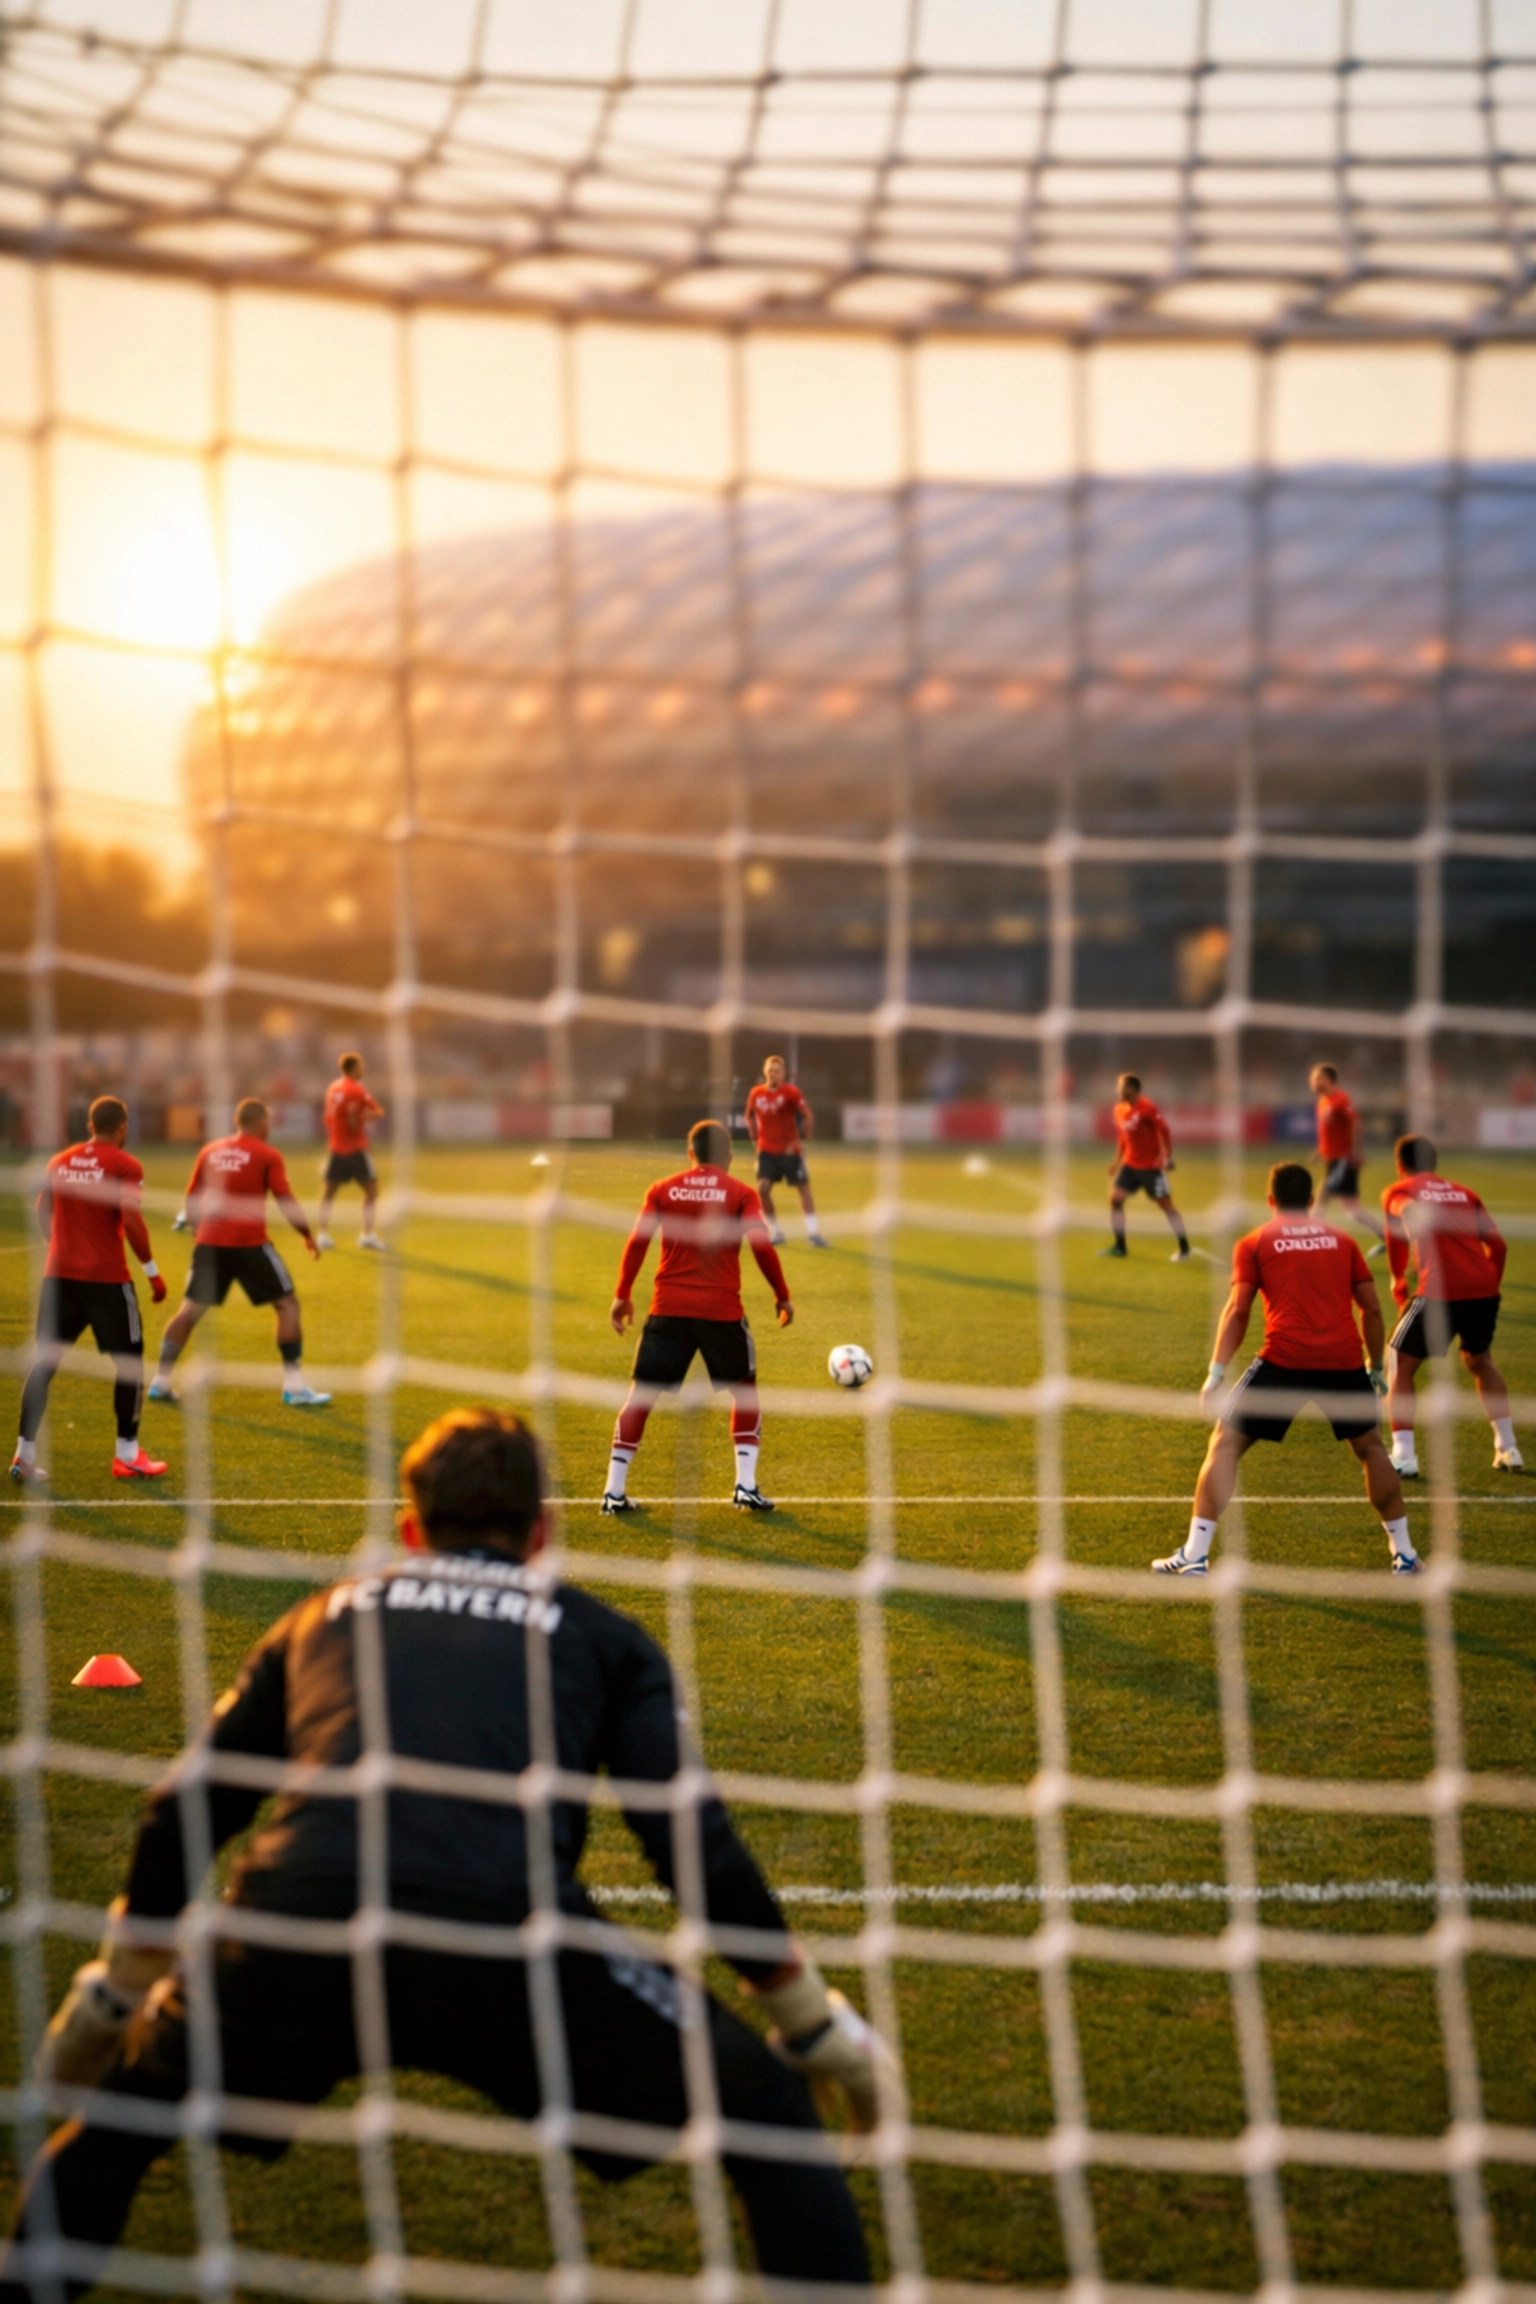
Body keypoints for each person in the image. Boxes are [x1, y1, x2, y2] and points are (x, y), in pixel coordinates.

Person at [0, 1407, 878, 2301]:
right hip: (511, 1941)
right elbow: (693, 1843)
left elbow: (184, 1806)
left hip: (300, 1929)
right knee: (770, 2114)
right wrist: (803, 2014)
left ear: (410, 1531)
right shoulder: (601, 1635)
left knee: (112, 2130)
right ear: (543, 1531)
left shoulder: (322, 1616)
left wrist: (118, 1991)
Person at [1154, 1160, 1416, 1577]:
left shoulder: (1256, 1242)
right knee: (1370, 1448)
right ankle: (1405, 1554)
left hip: (1283, 1360)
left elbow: (1238, 1311)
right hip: (1342, 1360)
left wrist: (1217, 1373)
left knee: (1224, 1444)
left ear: (1270, 1200)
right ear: (1312, 1201)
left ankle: (1195, 1554)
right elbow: (1370, 1308)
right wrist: (1375, 1365)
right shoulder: (1343, 1241)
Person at [605, 1119, 792, 1514]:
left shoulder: (662, 1189)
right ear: (729, 1156)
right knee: (745, 1391)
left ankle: (613, 1492)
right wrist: (782, 1295)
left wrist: (622, 1295)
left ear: (690, 1153)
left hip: (667, 1308)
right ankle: (745, 1486)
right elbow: (761, 1245)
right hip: (720, 1311)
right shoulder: (740, 1192)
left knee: (640, 1398)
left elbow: (638, 1240)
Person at [9, 1097, 168, 1486]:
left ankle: (23, 1456)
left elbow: (42, 1213)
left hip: (58, 1279)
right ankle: (127, 1456)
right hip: (107, 1281)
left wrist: (60, 1249)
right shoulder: (125, 1165)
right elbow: (131, 1218)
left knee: (44, 1363)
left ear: (91, 1125)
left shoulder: (59, 1161)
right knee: (129, 1364)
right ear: (123, 1127)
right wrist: (152, 1272)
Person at [149, 1099, 330, 1410]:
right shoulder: (266, 1154)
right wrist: (307, 1235)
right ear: (261, 1125)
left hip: (210, 1242)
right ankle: (294, 1388)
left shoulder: (210, 1151)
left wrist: (197, 1231)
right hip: (249, 1243)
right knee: (287, 1305)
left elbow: (192, 1196)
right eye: (268, 1124)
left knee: (190, 1310)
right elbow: (285, 1199)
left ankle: (160, 1382)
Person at [1381, 1134, 1521, 1476]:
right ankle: (1509, 1447)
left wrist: (1398, 1280)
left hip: (1440, 1291)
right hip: (1484, 1291)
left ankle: (1403, 1456)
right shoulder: (1465, 1192)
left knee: (1398, 1361)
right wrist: (1490, 1288)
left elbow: (1400, 1233)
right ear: (1434, 1164)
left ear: (1401, 1166)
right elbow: (1499, 1247)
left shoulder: (1399, 1191)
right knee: (1479, 1360)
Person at [1100, 1073, 1191, 1261]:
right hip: (1131, 1165)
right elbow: (1124, 1137)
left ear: (1132, 1089)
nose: (1117, 1090)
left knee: (1166, 1207)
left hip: (1151, 1168)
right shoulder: (1119, 1110)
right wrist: (1117, 1162)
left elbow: (1164, 1129)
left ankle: (1184, 1248)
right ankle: (1120, 1247)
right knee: (1115, 1199)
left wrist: (1167, 1157)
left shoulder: (1147, 1108)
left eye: (1120, 1086)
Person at [745, 1055, 826, 1247]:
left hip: (790, 1151)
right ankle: (776, 1231)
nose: (773, 1074)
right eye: (770, 1070)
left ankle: (814, 1234)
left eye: (777, 1070)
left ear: (784, 1074)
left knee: (804, 1190)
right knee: (762, 1189)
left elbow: (807, 1115)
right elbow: (749, 1115)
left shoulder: (791, 1092)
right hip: (766, 1150)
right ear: (765, 1072)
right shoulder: (756, 1093)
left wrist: (802, 1138)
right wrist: (754, 1136)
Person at [317, 1052, 386, 1252]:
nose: (363, 1069)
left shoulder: (333, 1088)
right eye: (360, 1065)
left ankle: (322, 1234)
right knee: (372, 1192)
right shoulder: (357, 1090)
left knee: (328, 1192)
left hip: (336, 1147)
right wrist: (360, 1117)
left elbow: (329, 1118)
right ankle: (367, 1235)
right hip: (356, 1148)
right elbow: (378, 1112)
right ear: (352, 1068)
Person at [1310, 1063, 1384, 1243]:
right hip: (1333, 1160)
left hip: (1343, 1160)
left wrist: (1357, 1153)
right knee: (1353, 1211)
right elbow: (1330, 1131)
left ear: (1329, 1080)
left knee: (1320, 1201)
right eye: (1314, 1078)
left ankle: (1317, 1242)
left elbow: (1356, 1124)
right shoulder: (1322, 1102)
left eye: (1319, 1077)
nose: (1315, 1081)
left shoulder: (1341, 1099)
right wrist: (1320, 1151)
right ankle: (1387, 1235)